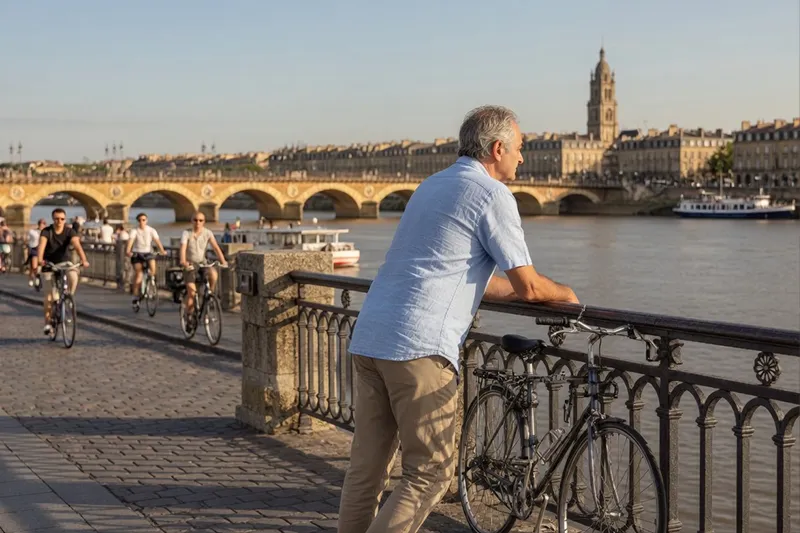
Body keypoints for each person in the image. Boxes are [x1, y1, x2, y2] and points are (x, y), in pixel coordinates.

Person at [337, 106, 579, 533]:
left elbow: (465, 276)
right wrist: (567, 295)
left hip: (370, 336)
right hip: (420, 346)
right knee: (429, 473)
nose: (523, 159)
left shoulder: (431, 186)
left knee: (366, 471)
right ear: (498, 148)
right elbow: (528, 287)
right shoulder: (492, 195)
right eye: (520, 149)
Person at [37, 208, 90, 336]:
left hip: (64, 262)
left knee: (73, 274)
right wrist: (40, 259)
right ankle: (48, 322)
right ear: (53, 219)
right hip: (49, 264)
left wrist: (84, 259)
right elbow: (41, 247)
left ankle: (69, 297)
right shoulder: (47, 232)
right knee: (49, 296)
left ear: (65, 220)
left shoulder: (69, 232)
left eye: (62, 219)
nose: (59, 221)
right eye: (56, 219)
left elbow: (77, 245)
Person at [179, 211, 227, 321]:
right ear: (192, 221)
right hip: (190, 265)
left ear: (204, 222)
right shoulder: (186, 233)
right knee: (191, 293)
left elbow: (216, 248)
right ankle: (189, 316)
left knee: (213, 274)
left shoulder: (208, 233)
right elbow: (183, 248)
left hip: (202, 263)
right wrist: (183, 261)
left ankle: (209, 294)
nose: (198, 222)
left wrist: (223, 261)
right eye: (195, 220)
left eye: (200, 220)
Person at [125, 213, 166, 309]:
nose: (142, 222)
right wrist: (128, 250)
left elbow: (157, 241)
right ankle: (135, 296)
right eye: (139, 220)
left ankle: (150, 285)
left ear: (146, 220)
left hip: (148, 253)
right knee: (138, 274)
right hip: (137, 254)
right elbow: (130, 241)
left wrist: (162, 250)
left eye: (143, 220)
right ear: (137, 221)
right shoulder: (134, 231)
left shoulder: (151, 230)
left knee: (153, 270)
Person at [26, 219, 47, 287]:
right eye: (41, 224)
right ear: (39, 224)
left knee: (39, 267)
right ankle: (32, 279)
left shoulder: (46, 232)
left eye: (44, 224)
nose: (42, 225)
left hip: (44, 250)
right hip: (35, 250)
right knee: (33, 267)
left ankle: (37, 278)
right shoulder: (33, 232)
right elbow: (29, 240)